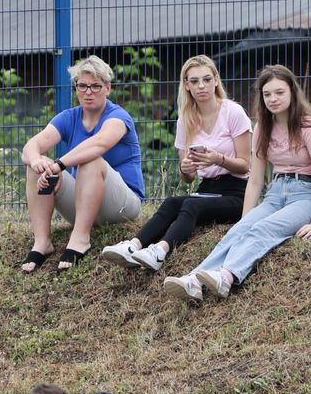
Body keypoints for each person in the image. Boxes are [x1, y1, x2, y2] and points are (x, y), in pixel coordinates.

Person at [162, 65, 311, 303]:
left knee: (263, 229)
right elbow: (255, 180)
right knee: (241, 230)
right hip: (275, 193)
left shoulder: (308, 126)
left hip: (305, 195)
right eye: (267, 94)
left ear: (292, 92)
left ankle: (227, 276)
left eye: (279, 92)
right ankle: (193, 280)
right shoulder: (262, 127)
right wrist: (245, 219)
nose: (273, 99)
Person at [105, 55, 252, 272]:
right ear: (186, 85)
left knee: (191, 205)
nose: (201, 86)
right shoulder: (185, 119)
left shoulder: (233, 112)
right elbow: (188, 178)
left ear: (216, 81)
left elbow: (246, 165)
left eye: (206, 79)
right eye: (194, 81)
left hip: (237, 192)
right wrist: (186, 169)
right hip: (207, 188)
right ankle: (133, 246)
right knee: (172, 202)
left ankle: (160, 251)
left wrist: (218, 159)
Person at [20, 54, 147, 273]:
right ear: (76, 88)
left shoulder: (118, 116)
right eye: (82, 86)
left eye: (96, 86)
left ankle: (80, 238)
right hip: (84, 204)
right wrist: (38, 161)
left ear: (108, 88)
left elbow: (99, 144)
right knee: (36, 166)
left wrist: (59, 165)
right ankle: (42, 242)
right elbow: (31, 146)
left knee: (91, 160)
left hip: (122, 206)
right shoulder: (69, 117)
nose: (88, 92)